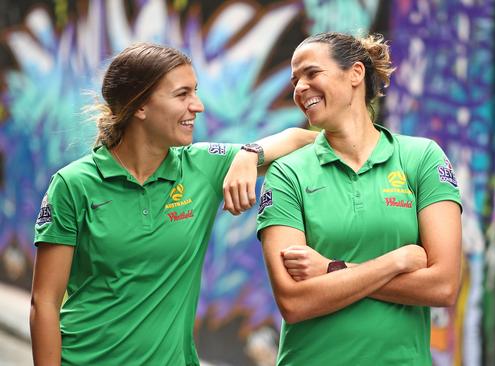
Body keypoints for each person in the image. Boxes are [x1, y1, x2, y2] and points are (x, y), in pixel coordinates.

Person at [30, 43, 317, 365]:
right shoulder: (73, 184)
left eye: (195, 92)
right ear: (139, 106)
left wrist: (249, 154)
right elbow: (44, 302)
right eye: (182, 95)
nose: (198, 106)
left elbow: (304, 140)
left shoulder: (202, 166)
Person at [256, 32, 463, 365]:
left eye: (311, 73)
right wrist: (394, 262)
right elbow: (295, 303)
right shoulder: (287, 173)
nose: (299, 88)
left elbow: (443, 286)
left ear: (355, 73)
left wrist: (333, 269)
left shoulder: (422, 158)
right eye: (295, 80)